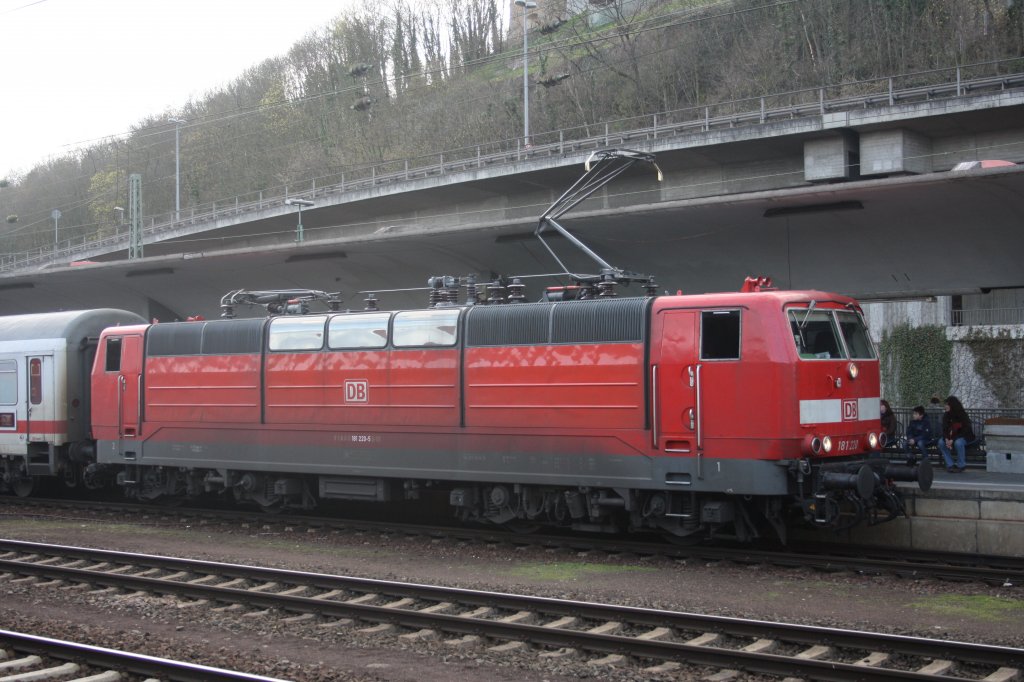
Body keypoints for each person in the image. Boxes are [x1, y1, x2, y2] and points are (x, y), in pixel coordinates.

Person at [937, 395, 975, 473]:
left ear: (952, 405)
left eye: (947, 404)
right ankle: (950, 464)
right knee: (941, 442)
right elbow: (944, 429)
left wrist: (953, 440)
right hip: (950, 437)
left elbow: (965, 430)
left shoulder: (962, 415)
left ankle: (961, 465)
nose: (945, 406)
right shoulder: (946, 415)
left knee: (958, 443)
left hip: (964, 437)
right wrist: (946, 438)